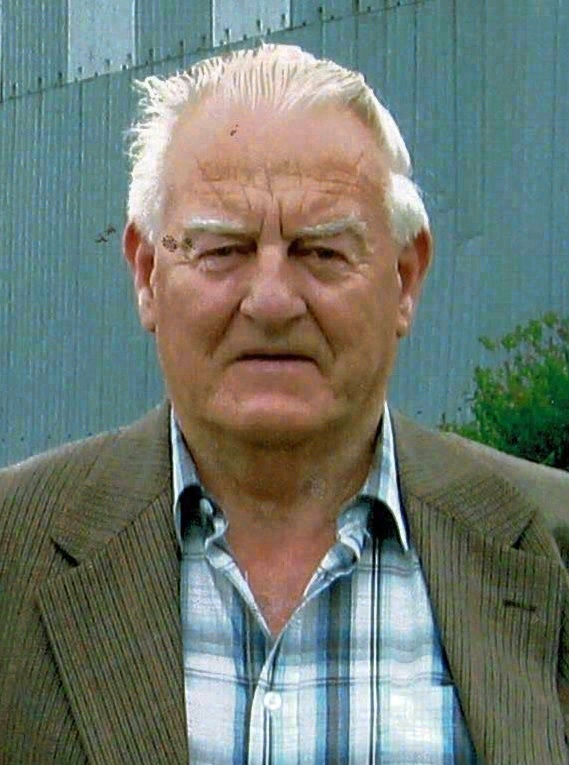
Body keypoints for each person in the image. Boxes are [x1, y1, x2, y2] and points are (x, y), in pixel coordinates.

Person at [1, 43, 568, 765]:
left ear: (404, 277)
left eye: (321, 252)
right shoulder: (14, 554)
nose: (271, 302)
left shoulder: (548, 548)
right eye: (222, 250)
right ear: (147, 274)